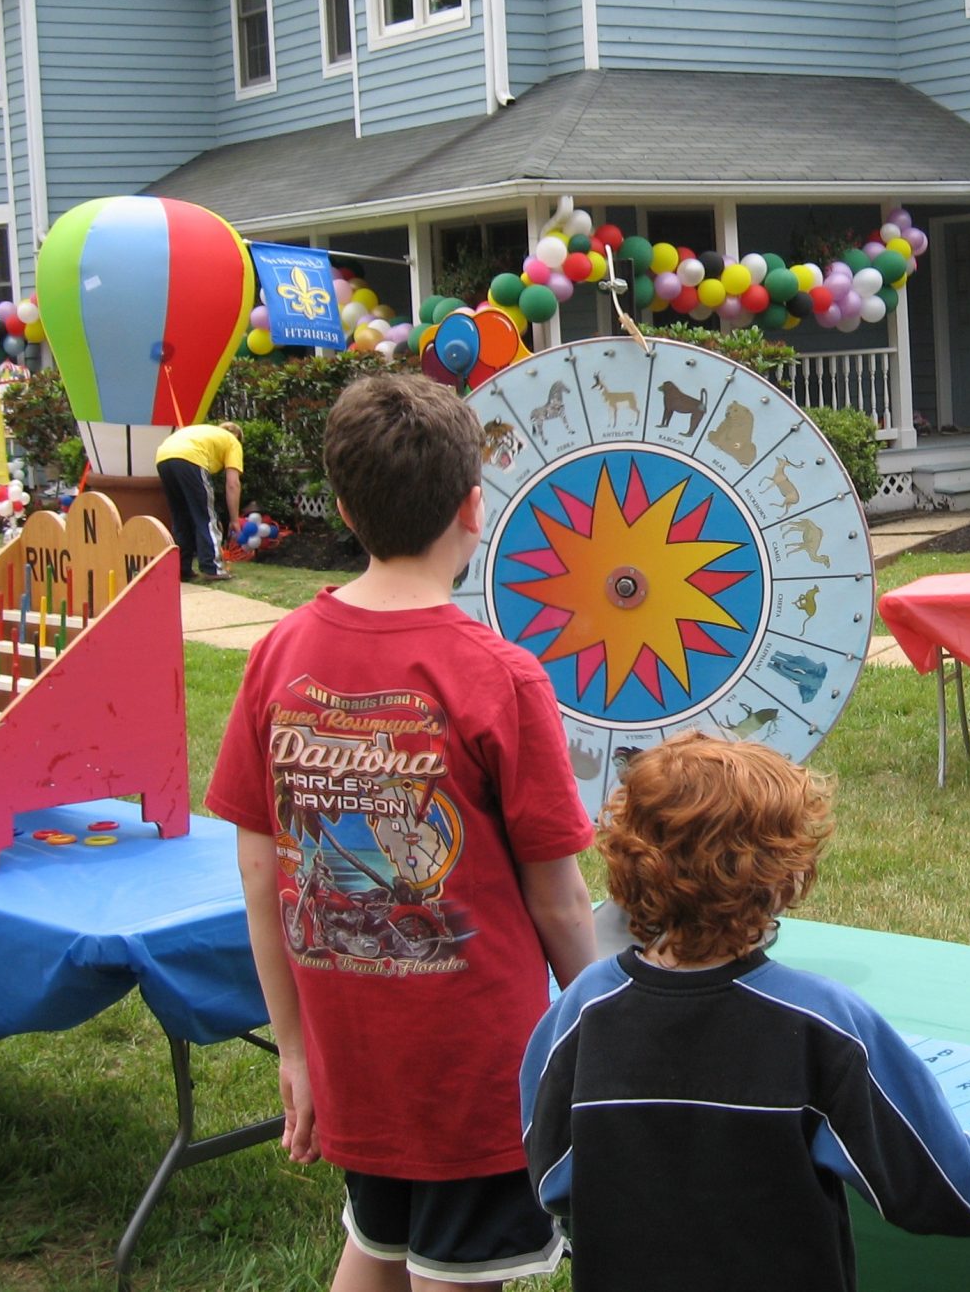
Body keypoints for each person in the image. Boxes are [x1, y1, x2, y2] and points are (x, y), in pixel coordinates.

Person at [208, 376, 597, 1291]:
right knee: (446, 1270)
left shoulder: (279, 652)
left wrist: (295, 1050)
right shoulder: (500, 675)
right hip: (474, 1077)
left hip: (351, 1055)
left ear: (343, 507)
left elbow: (261, 875)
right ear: (474, 505)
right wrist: (604, 1033)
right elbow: (561, 898)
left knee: (377, 1248)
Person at [520, 732, 970, 1292]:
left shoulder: (582, 1011)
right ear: (784, 876)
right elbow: (940, 1191)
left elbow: (551, 1178)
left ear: (626, 857)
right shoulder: (823, 1024)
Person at [154, 421, 243, 581]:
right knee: (207, 517)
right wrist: (234, 520)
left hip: (163, 457)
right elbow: (233, 483)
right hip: (191, 458)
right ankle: (212, 568)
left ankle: (181, 568)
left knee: (181, 517)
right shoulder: (232, 441)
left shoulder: (205, 432)